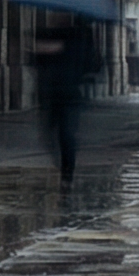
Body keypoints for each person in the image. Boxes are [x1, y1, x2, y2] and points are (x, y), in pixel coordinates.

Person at [33, 19, 93, 183]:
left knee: (66, 135)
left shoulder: (76, 37)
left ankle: (67, 170)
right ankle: (64, 166)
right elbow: (37, 63)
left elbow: (90, 63)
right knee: (51, 135)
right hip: (52, 96)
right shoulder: (47, 35)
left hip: (68, 96)